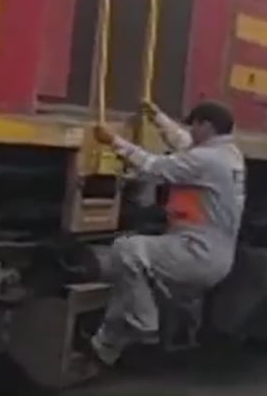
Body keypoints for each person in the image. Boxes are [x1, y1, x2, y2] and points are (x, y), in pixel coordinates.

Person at [88, 100, 246, 366]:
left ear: (206, 126)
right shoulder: (229, 155)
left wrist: (113, 141)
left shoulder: (205, 160)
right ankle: (106, 348)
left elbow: (154, 166)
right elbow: (184, 143)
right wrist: (158, 118)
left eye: (193, 125)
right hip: (213, 252)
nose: (190, 131)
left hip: (195, 251)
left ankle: (143, 323)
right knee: (133, 271)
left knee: (128, 251)